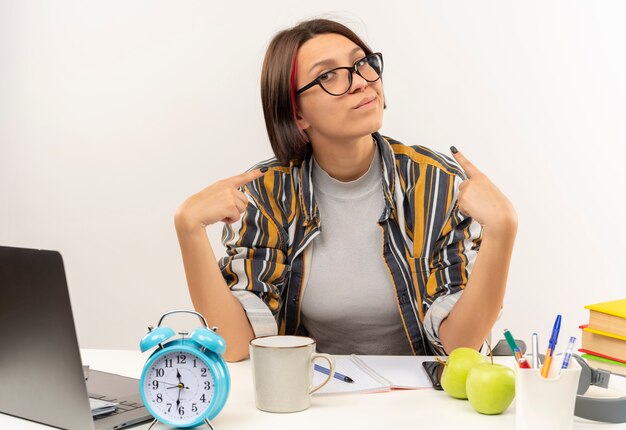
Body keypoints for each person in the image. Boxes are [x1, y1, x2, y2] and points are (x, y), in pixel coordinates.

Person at [174, 18, 517, 362]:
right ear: (297, 114)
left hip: (428, 393)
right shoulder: (268, 193)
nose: (359, 83)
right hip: (319, 393)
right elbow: (235, 345)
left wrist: (502, 229)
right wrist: (188, 229)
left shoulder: (435, 182)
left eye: (361, 64)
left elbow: (460, 347)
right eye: (327, 76)